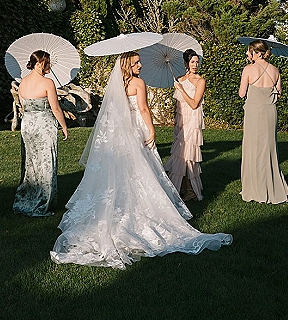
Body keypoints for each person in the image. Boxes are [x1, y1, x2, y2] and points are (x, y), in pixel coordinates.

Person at [50, 50, 232, 269]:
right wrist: (151, 130)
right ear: (128, 64)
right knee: (140, 171)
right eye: (136, 63)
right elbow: (144, 109)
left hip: (118, 134)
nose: (140, 66)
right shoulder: (138, 83)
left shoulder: (116, 84)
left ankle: (119, 210)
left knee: (121, 173)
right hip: (136, 130)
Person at [13, 50, 68, 217]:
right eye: (47, 63)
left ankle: (28, 196)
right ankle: (44, 200)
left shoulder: (22, 82)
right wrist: (64, 126)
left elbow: (23, 107)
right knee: (46, 162)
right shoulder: (48, 83)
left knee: (30, 163)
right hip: (44, 125)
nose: (49, 66)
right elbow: (56, 108)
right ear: (38, 64)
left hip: (27, 125)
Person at [239, 39, 288, 204]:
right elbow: (279, 95)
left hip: (254, 112)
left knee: (253, 149)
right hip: (269, 112)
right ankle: (270, 187)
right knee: (268, 149)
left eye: (249, 51)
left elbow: (241, 93)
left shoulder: (248, 69)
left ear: (255, 52)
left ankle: (254, 190)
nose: (247, 54)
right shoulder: (275, 70)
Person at [165, 48, 206, 201]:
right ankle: (181, 187)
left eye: (197, 62)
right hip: (182, 122)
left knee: (189, 155)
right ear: (186, 63)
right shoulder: (180, 80)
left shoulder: (200, 81)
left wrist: (181, 90)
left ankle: (191, 190)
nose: (195, 65)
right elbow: (179, 106)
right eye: (192, 62)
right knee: (180, 155)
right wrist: (176, 122)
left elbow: (194, 104)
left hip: (193, 122)